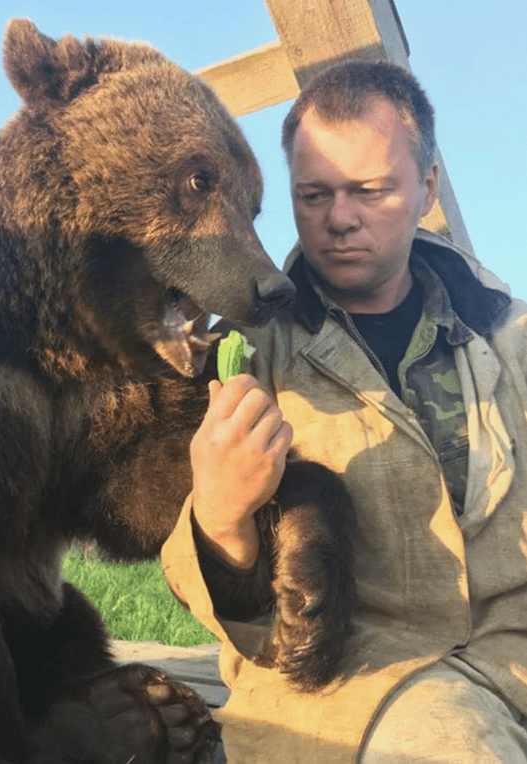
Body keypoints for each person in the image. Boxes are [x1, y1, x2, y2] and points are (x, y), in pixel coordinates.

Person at [161, 60, 527, 763]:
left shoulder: (508, 335)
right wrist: (218, 515)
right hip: (354, 680)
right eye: (313, 194)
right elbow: (212, 593)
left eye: (369, 190)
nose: (338, 219)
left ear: (424, 190)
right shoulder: (235, 352)